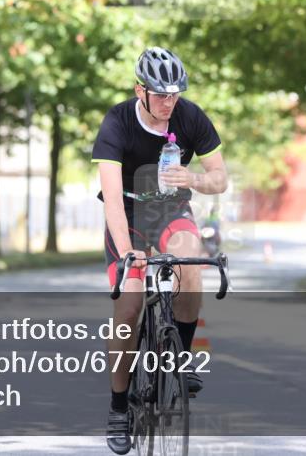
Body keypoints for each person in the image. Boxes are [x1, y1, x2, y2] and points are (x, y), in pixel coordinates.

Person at [92, 46, 228, 455]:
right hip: (129, 215)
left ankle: (179, 358)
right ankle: (119, 407)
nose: (170, 102)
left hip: (171, 209)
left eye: (175, 93)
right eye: (161, 94)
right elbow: (113, 200)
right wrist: (128, 252)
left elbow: (220, 178)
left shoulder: (190, 116)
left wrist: (194, 178)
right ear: (140, 91)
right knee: (129, 307)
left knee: (192, 265)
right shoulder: (117, 122)